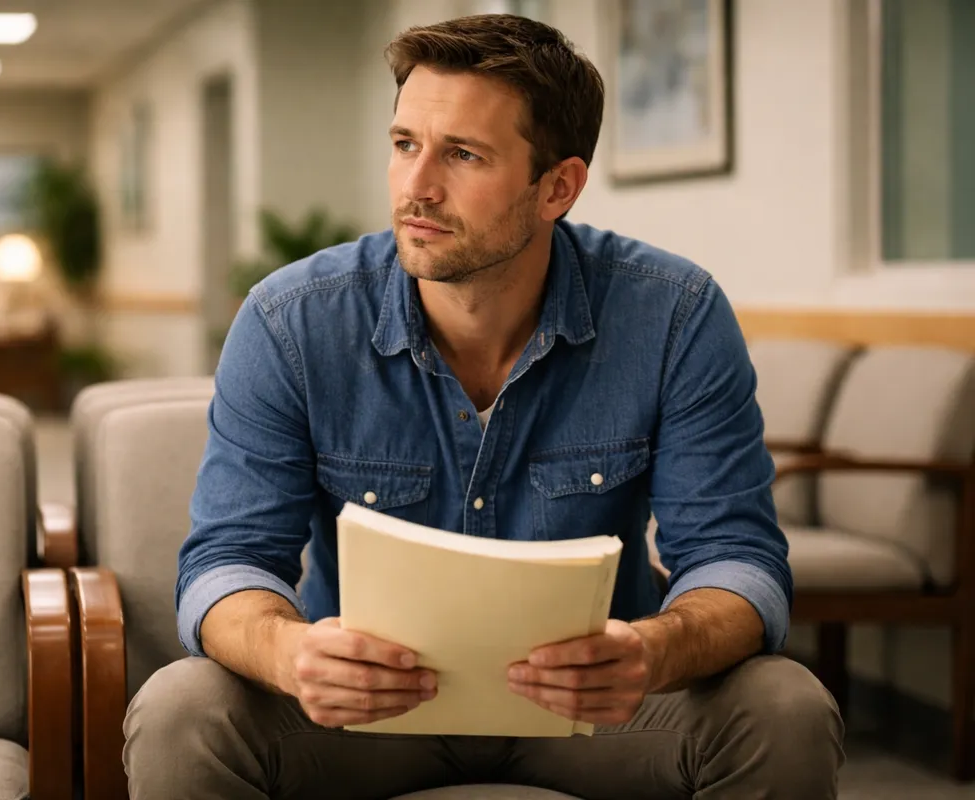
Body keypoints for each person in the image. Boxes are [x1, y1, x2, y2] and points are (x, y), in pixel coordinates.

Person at [124, 13, 844, 799]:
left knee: (784, 705)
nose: (416, 187)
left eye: (463, 155)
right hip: (364, 710)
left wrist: (654, 651)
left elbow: (738, 560)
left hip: (598, 709)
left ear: (557, 187)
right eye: (405, 144)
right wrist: (287, 654)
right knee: (180, 709)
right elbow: (224, 562)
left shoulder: (674, 314)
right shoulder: (290, 321)